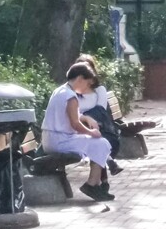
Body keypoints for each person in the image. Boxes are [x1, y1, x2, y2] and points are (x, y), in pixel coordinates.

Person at [41, 62, 114, 202]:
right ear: (80, 78)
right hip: (60, 141)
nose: (87, 87)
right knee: (101, 143)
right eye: (87, 83)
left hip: (51, 139)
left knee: (98, 144)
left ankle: (96, 185)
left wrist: (86, 118)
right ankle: (91, 185)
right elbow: (75, 124)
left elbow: (71, 115)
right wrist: (92, 133)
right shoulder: (71, 96)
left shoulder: (60, 91)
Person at [72, 54, 123, 176]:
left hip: (98, 126)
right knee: (97, 140)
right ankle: (108, 165)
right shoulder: (71, 92)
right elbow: (71, 113)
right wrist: (84, 118)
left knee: (97, 130)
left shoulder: (99, 90)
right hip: (79, 129)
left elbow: (100, 110)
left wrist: (85, 117)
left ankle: (101, 180)